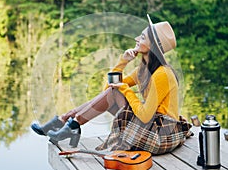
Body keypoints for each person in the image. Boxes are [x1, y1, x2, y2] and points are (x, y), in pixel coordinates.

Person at [31, 14, 192, 155]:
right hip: (151, 126)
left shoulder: (163, 74)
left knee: (118, 91)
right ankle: (67, 121)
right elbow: (108, 92)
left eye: (142, 37)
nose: (136, 38)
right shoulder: (143, 70)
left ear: (153, 46)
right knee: (114, 92)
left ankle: (71, 124)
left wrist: (125, 89)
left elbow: (144, 115)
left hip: (161, 133)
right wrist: (122, 63)